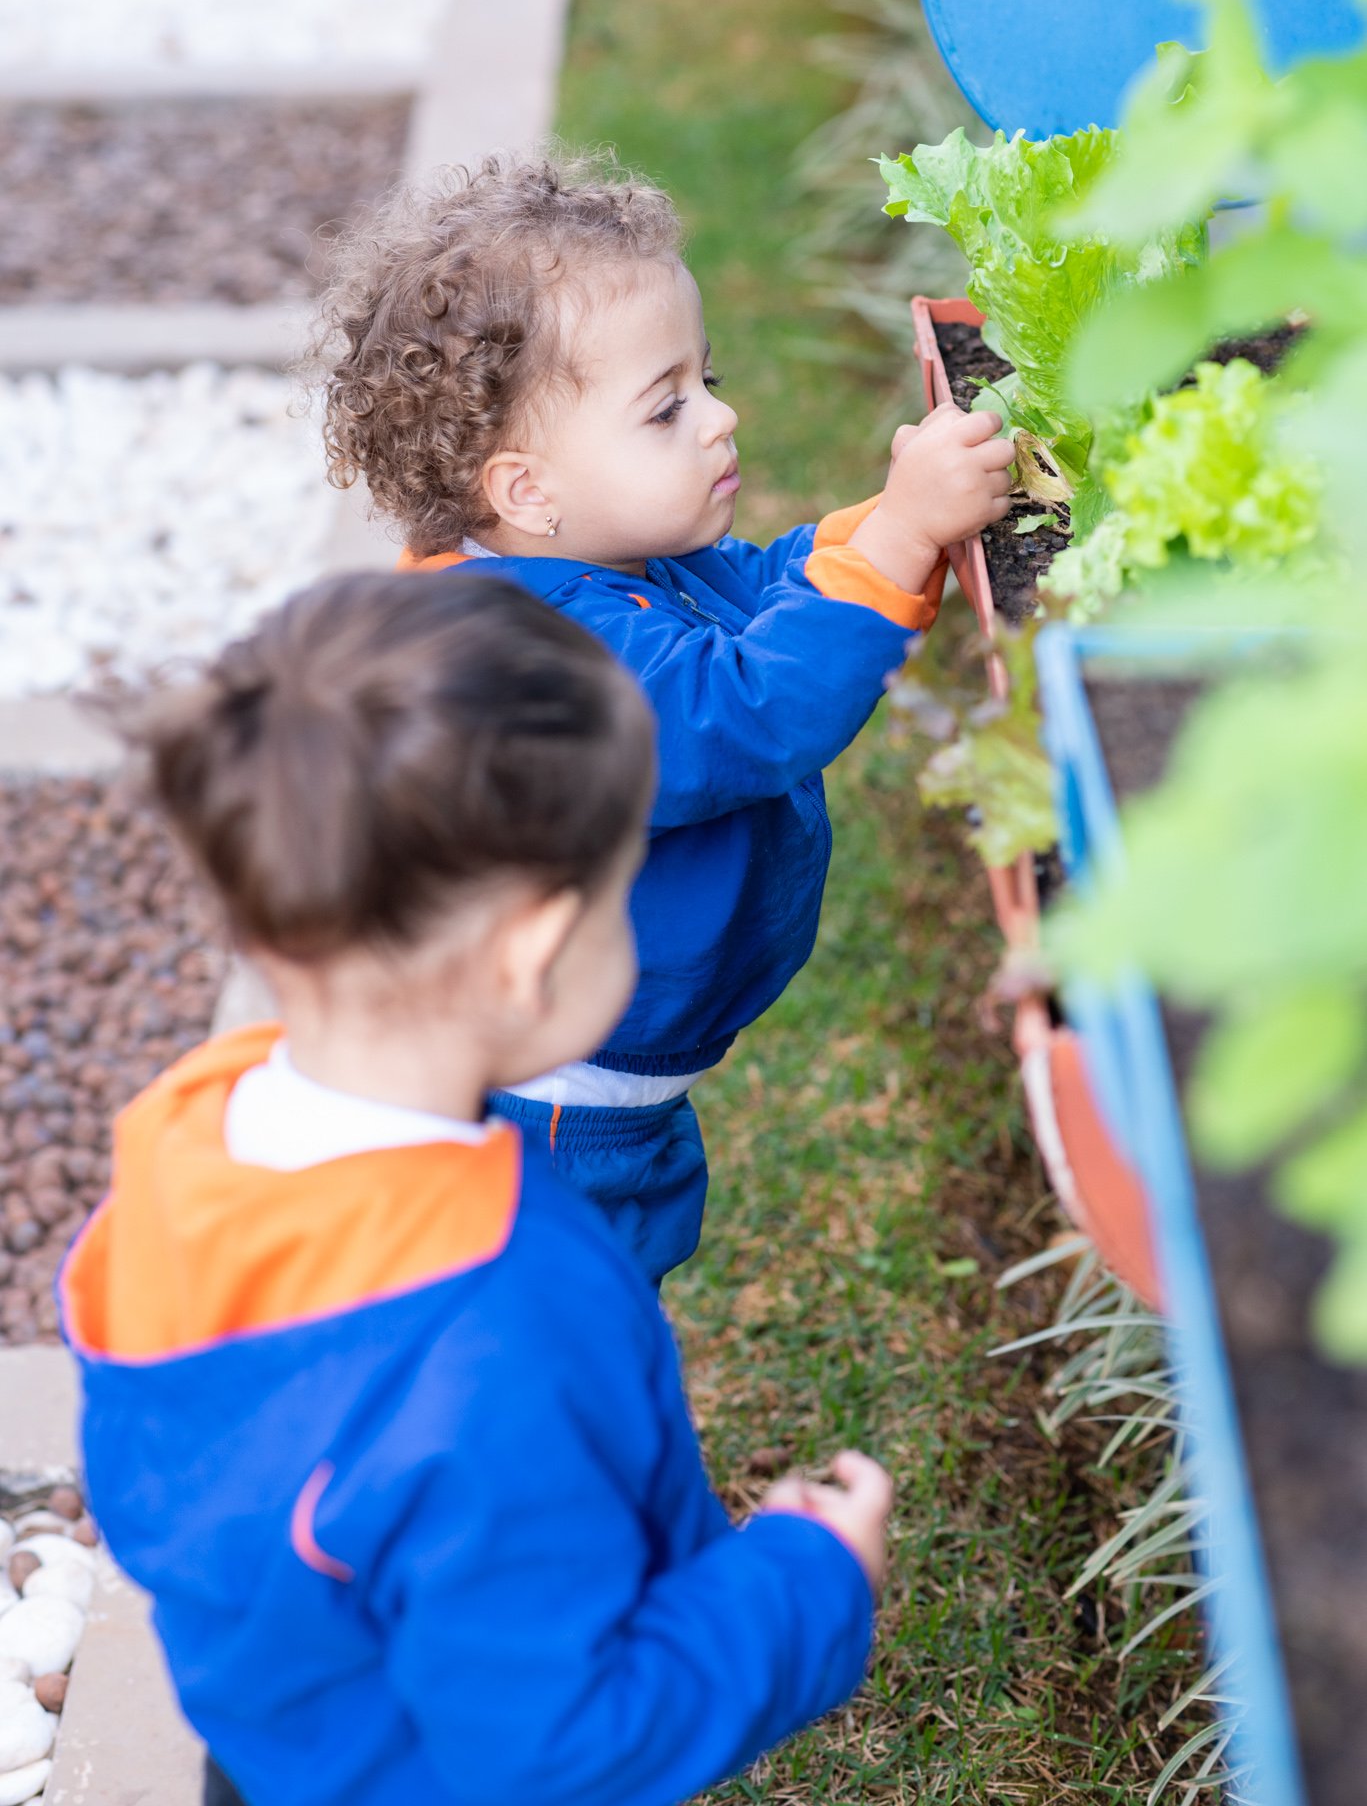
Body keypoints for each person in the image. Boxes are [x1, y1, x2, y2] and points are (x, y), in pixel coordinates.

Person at [60, 570, 895, 1806]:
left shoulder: (185, 1136)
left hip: (280, 1739)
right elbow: (564, 1745)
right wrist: (805, 1579)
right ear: (534, 952)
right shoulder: (500, 1318)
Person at [314, 153, 1011, 1283]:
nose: (721, 416)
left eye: (709, 377)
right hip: (543, 1114)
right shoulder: (520, 666)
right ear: (525, 487)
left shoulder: (602, 566)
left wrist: (895, 523)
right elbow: (743, 703)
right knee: (559, 1335)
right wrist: (895, 542)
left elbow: (774, 595)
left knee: (601, 1324)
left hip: (602, 1079)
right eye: (666, 405)